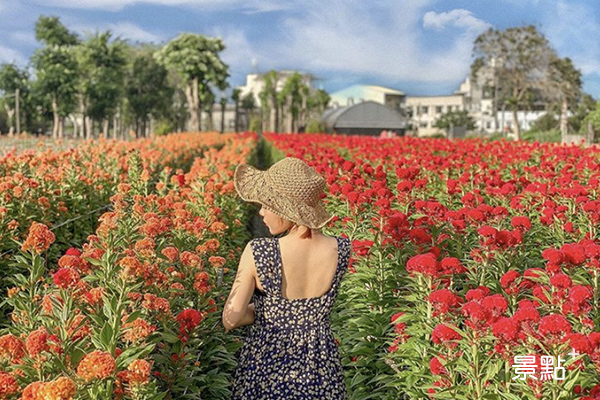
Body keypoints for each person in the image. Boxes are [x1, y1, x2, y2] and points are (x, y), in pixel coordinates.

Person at [223, 157, 351, 400]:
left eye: (266, 204)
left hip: (266, 366)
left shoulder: (258, 251)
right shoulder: (341, 249)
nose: (261, 212)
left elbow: (231, 318)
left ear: (284, 208)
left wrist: (265, 310)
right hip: (320, 366)